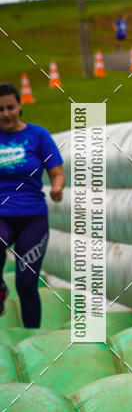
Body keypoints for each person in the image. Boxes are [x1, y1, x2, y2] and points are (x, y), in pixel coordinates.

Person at [0, 83, 65, 327]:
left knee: (27, 284)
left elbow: (56, 172)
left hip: (32, 218)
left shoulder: (38, 136)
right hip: (1, 215)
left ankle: (32, 337)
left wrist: (57, 187)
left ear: (20, 106)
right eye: (0, 109)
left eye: (10, 107)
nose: (6, 114)